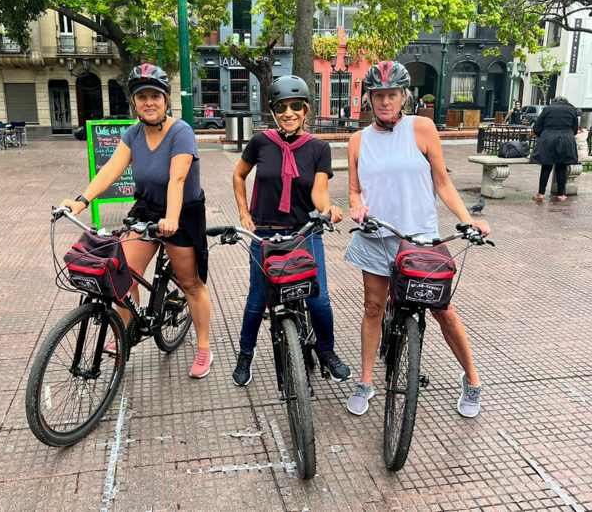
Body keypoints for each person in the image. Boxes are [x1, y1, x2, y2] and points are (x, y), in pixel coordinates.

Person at [344, 61, 491, 417]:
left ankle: (472, 379)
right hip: (376, 237)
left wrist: (469, 220)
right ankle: (366, 382)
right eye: (378, 95)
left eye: (392, 94)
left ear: (403, 97)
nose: (385, 101)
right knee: (373, 308)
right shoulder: (358, 141)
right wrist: (357, 207)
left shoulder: (422, 129)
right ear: (369, 99)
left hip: (420, 239)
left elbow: (442, 182)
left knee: (444, 311)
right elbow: (353, 192)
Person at [59, 63, 214, 378]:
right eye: (141, 97)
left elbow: (178, 178)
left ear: (166, 100)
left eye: (155, 96)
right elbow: (110, 171)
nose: (149, 102)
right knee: (122, 274)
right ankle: (124, 334)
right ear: (134, 103)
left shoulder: (181, 131)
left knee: (190, 283)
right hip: (146, 208)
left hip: (182, 211)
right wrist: (81, 201)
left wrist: (171, 219)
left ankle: (203, 347)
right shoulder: (132, 133)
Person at [232, 75, 351, 386]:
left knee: (318, 299)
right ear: (273, 111)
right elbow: (239, 175)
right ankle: (246, 353)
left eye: (295, 106)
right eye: (281, 107)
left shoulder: (318, 148)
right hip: (263, 233)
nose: (289, 112)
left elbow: (319, 192)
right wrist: (244, 212)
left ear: (306, 109)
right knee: (258, 300)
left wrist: (328, 210)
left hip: (304, 233)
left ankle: (327, 352)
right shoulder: (260, 142)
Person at [531, 96, 578, 201]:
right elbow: (574, 128)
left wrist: (544, 135)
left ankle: (540, 193)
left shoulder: (548, 109)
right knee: (561, 167)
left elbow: (537, 126)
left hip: (548, 138)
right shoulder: (572, 110)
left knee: (546, 166)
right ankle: (561, 194)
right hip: (566, 139)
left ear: (554, 102)